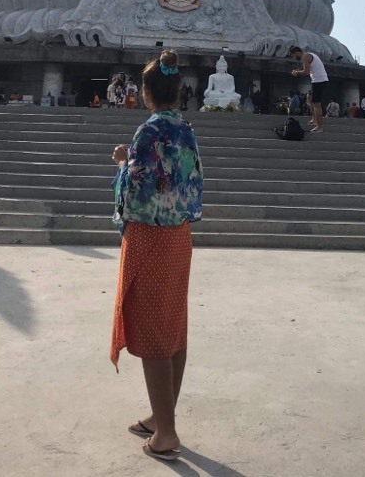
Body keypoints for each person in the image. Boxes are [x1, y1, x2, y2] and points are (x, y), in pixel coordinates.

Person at [110, 49, 203, 462]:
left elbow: (134, 190)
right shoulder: (186, 129)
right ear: (179, 92)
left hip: (150, 237)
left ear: (145, 92)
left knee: (152, 334)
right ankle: (160, 416)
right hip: (179, 235)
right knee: (173, 328)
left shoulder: (148, 132)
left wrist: (120, 164)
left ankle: (166, 433)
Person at [289, 46, 328, 133]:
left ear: (296, 52)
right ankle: (314, 119)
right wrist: (299, 70)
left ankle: (319, 126)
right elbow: (309, 69)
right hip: (318, 80)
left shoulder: (305, 57)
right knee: (309, 97)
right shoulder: (309, 55)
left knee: (316, 103)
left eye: (293, 56)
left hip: (319, 80)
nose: (294, 58)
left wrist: (297, 73)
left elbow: (306, 72)